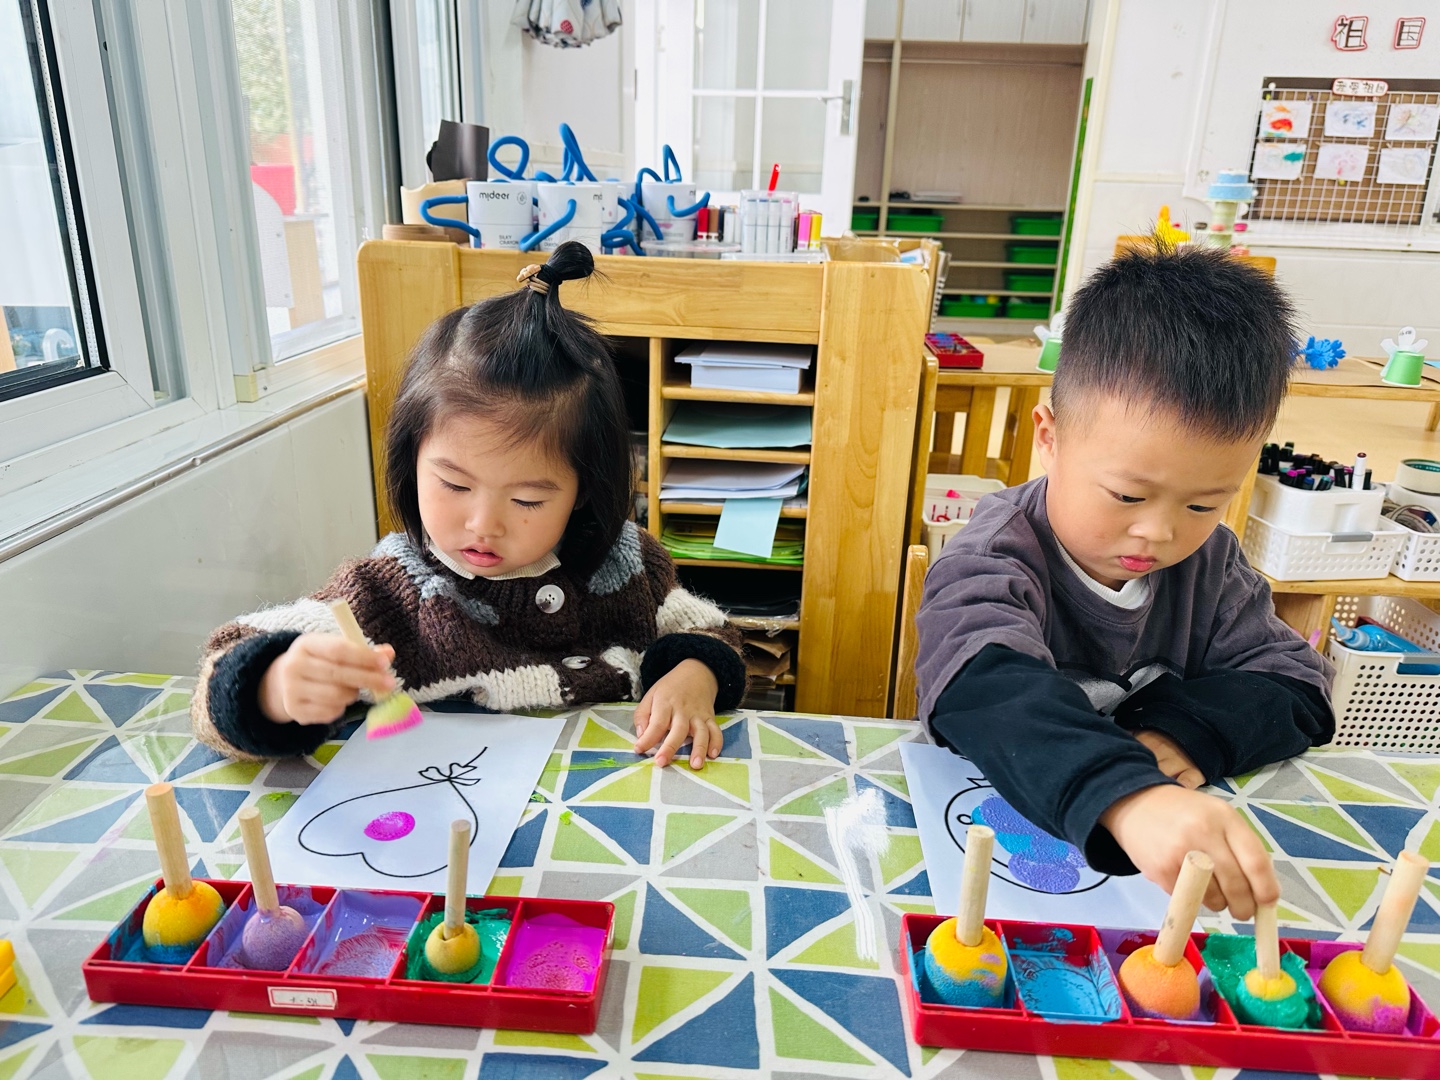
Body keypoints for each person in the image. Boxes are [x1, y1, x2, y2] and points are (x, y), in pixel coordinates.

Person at [192, 242, 746, 770]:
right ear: (411, 461)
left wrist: (694, 673)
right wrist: (273, 688)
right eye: (454, 486)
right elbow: (219, 683)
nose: (483, 524)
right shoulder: (386, 593)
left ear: (584, 489)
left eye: (528, 499)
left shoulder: (626, 562)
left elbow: (709, 630)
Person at [915, 247, 1334, 920]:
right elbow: (985, 688)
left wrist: (1182, 732)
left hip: (1151, 883)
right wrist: (1129, 795)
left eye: (1204, 504)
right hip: (990, 851)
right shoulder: (993, 556)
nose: (1159, 533)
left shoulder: (1211, 565)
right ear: (1049, 438)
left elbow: (1297, 686)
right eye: (1127, 495)